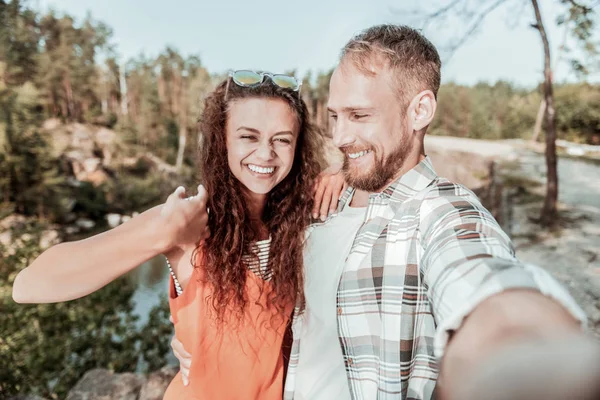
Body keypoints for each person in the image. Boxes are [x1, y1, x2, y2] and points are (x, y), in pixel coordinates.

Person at [172, 25, 590, 400]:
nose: (339, 136)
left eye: (359, 115)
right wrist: (200, 340)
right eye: (335, 116)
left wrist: (529, 347)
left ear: (419, 111)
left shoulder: (440, 211)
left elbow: (483, 282)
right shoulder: (321, 203)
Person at [12, 70, 344, 399]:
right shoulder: (191, 221)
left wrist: (345, 173)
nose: (266, 153)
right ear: (221, 139)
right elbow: (30, 285)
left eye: (282, 139)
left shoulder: (300, 222)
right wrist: (160, 233)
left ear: (297, 147)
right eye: (248, 136)